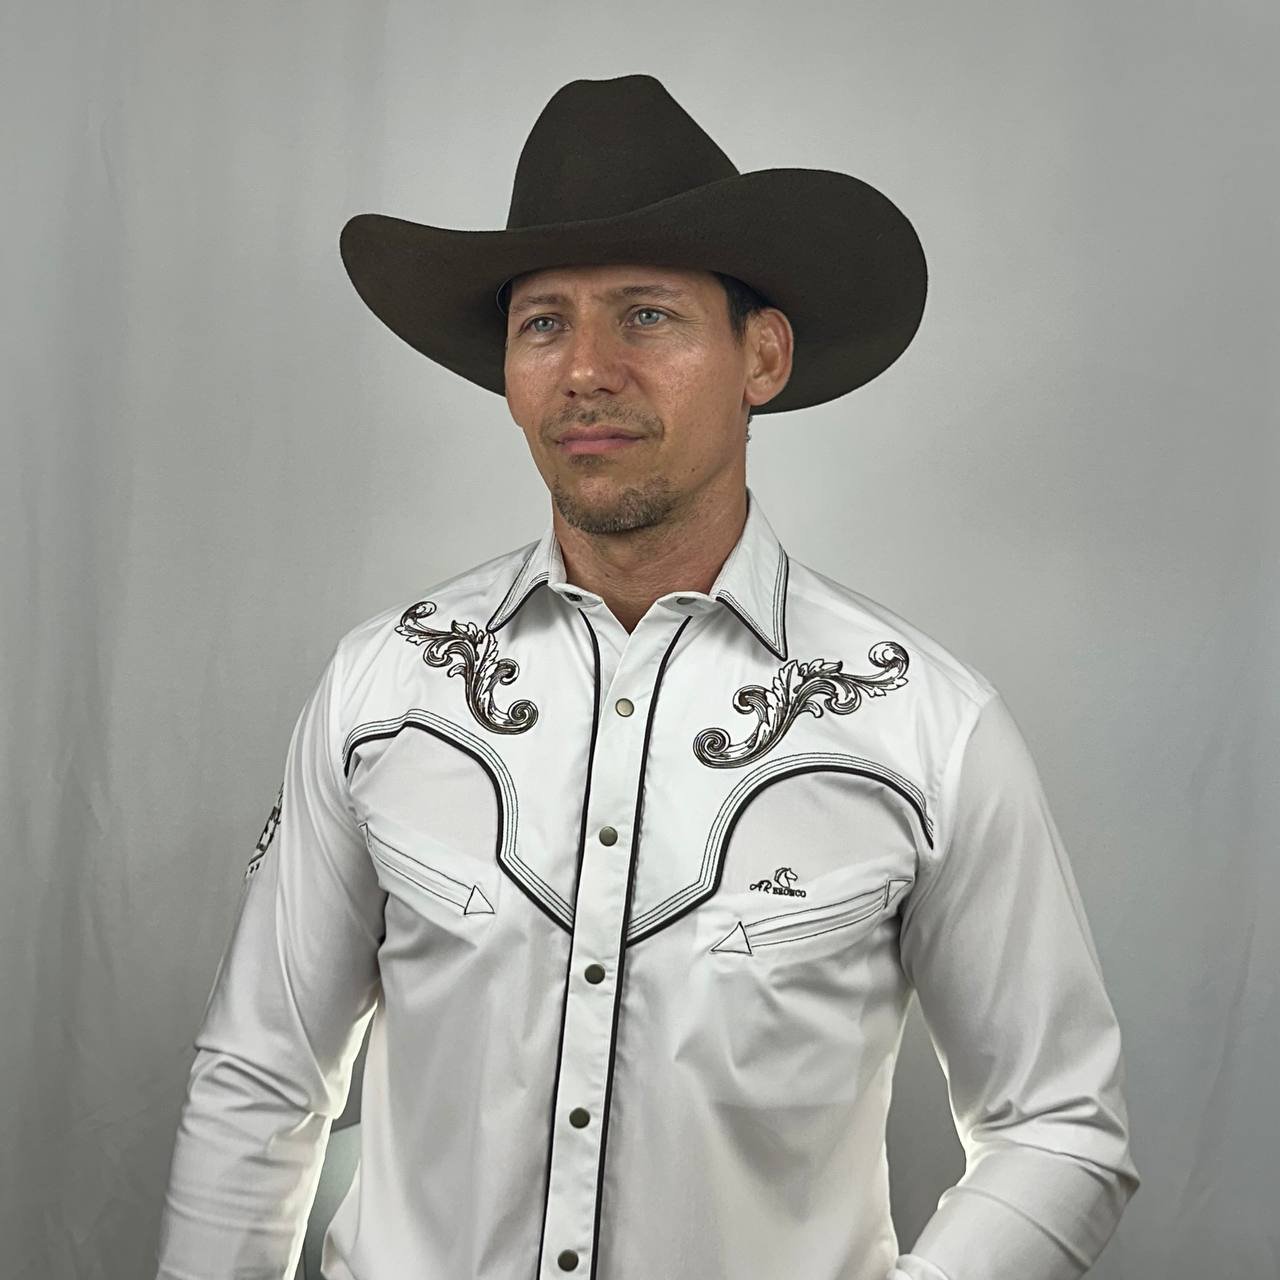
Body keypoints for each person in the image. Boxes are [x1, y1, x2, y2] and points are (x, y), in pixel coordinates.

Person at [155, 74, 1139, 1280]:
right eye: (542, 323)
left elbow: (1061, 1125)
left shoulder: (920, 727)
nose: (585, 370)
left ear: (760, 355)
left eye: (646, 315)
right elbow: (260, 1076)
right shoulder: (382, 692)